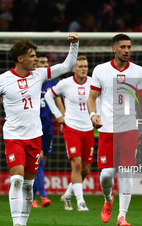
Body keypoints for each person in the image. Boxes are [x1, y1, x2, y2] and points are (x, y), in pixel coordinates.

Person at [0, 33, 79, 226]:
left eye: (35, 55)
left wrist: (75, 45)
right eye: (32, 55)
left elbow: (67, 66)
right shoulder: (2, 80)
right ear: (20, 58)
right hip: (13, 137)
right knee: (17, 181)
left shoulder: (39, 75)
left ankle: (23, 223)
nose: (36, 58)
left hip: (34, 137)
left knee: (29, 186)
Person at [87, 34, 142, 226]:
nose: (126, 50)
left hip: (129, 128)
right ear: (114, 49)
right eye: (122, 47)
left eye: (129, 47)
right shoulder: (101, 70)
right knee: (106, 174)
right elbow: (92, 97)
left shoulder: (138, 71)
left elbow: (141, 101)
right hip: (107, 129)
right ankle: (108, 199)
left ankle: (122, 215)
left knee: (126, 172)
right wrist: (93, 115)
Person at [45, 56, 94, 211]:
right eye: (80, 66)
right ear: (73, 69)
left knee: (85, 170)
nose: (83, 69)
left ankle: (67, 194)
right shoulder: (65, 84)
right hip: (71, 127)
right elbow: (48, 95)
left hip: (89, 128)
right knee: (77, 164)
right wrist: (59, 115)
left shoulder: (94, 83)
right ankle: (80, 202)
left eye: (85, 66)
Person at [31, 54, 62, 208]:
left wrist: (63, 119)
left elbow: (58, 102)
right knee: (40, 162)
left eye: (46, 63)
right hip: (34, 127)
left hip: (48, 127)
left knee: (42, 163)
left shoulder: (53, 83)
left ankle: (32, 198)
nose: (44, 65)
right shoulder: (32, 81)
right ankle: (43, 196)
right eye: (41, 62)